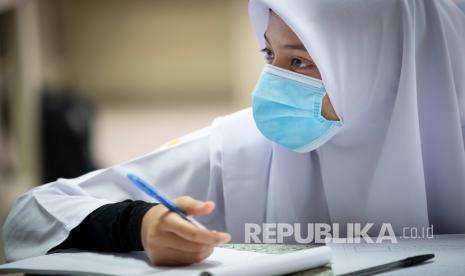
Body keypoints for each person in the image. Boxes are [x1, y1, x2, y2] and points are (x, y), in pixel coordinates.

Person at [4, 0, 465, 267]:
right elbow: (30, 216)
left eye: (300, 61)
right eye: (270, 56)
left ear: (385, 70)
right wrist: (136, 224)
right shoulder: (245, 149)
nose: (272, 85)